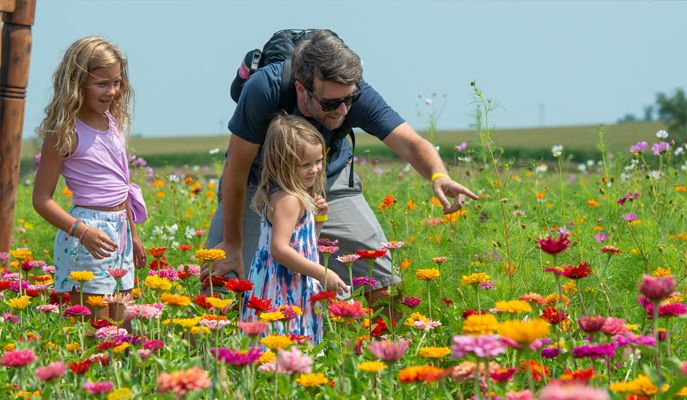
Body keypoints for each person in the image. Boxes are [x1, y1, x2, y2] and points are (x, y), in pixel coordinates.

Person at [202, 30, 477, 304]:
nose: (343, 110)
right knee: (221, 283)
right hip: (258, 184)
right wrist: (233, 244)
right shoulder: (265, 88)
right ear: (301, 88)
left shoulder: (351, 94)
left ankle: (381, 347)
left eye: (349, 99)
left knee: (378, 280)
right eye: (331, 103)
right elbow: (236, 169)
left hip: (327, 180)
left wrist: (438, 175)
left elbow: (411, 142)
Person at [32, 36, 147, 323]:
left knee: (124, 325)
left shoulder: (112, 122)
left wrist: (133, 235)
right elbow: (41, 199)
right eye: (103, 84)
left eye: (117, 82)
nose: (113, 91)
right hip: (87, 233)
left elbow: (121, 188)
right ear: (77, 83)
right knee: (97, 327)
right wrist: (82, 231)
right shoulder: (64, 132)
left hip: (119, 230)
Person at [240, 114, 348, 343]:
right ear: (283, 164)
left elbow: (302, 245)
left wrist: (319, 219)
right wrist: (323, 273)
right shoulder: (289, 199)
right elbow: (279, 249)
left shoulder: (286, 194)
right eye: (305, 164)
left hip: (281, 282)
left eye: (319, 161)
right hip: (284, 289)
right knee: (287, 349)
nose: (315, 169)